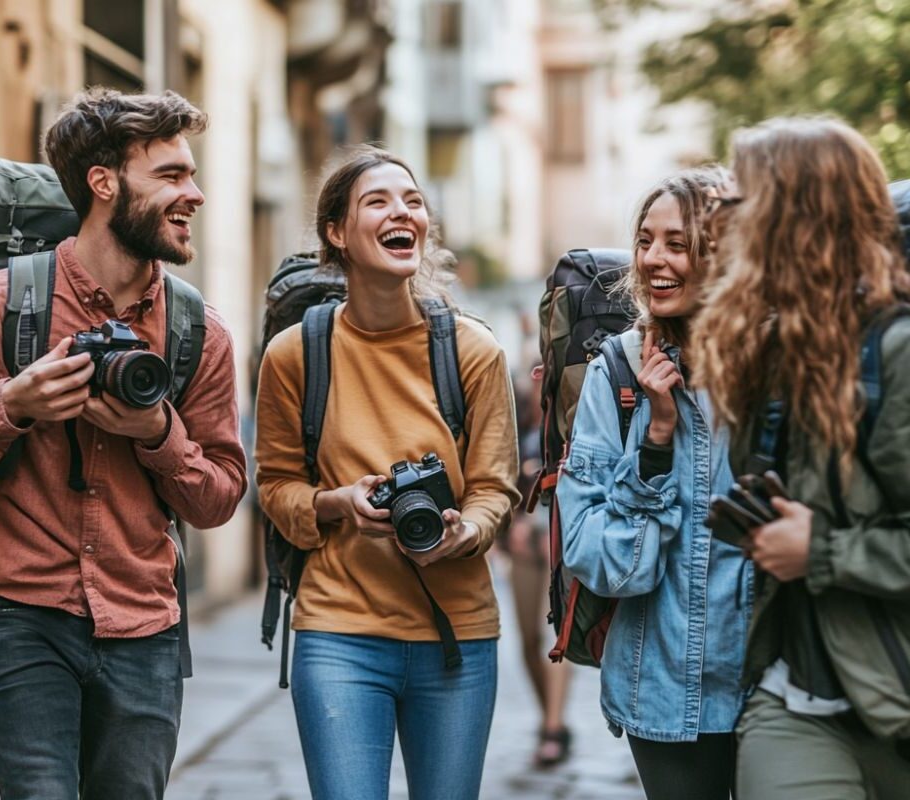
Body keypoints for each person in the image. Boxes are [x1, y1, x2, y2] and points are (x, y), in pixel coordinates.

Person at [0, 87, 247, 800]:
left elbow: (218, 500)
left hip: (143, 626)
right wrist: (9, 407)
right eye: (171, 174)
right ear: (104, 183)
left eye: (192, 173)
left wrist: (158, 433)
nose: (195, 193)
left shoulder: (197, 331)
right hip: (17, 616)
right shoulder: (0, 303)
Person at [255, 145, 519, 800]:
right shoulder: (295, 353)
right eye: (378, 202)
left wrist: (465, 532)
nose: (403, 212)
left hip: (456, 634)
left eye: (413, 201)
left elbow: (494, 487)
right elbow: (275, 486)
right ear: (336, 233)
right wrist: (337, 502)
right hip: (338, 632)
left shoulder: (473, 351)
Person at [691, 116, 910, 799]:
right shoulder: (771, 350)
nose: (717, 221)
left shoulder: (899, 352)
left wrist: (822, 552)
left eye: (736, 201)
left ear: (794, 219)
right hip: (795, 700)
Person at [556, 167, 748, 800]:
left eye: (677, 243)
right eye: (645, 241)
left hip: (771, 689)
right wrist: (656, 441)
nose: (653, 260)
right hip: (662, 690)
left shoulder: (776, 366)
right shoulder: (615, 372)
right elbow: (602, 563)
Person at [503, 365, 574, 768]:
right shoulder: (516, 424)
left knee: (556, 637)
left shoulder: (568, 422)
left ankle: (554, 726)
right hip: (522, 542)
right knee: (528, 639)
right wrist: (510, 525)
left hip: (558, 538)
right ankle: (548, 714)